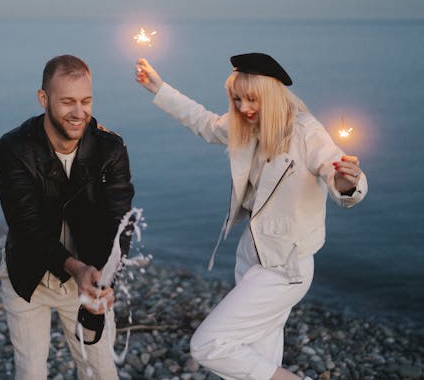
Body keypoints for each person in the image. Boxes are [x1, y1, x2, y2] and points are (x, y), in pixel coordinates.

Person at [135, 53, 367, 380]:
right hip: (250, 256)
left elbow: (338, 176)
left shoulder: (306, 133)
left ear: (271, 94)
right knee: (257, 359)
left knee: (209, 344)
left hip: (286, 267)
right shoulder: (245, 125)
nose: (244, 107)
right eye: (237, 99)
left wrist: (347, 182)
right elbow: (202, 122)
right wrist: (159, 88)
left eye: (252, 98)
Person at [0, 55, 135, 379]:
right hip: (28, 276)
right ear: (43, 99)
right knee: (29, 371)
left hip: (88, 277)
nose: (79, 112)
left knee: (99, 371)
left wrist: (106, 276)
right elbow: (26, 224)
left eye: (86, 101)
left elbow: (120, 220)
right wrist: (75, 267)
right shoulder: (14, 147)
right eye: (67, 101)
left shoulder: (110, 148)